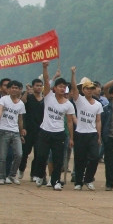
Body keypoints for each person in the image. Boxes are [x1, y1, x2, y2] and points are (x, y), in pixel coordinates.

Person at [30, 62, 75, 190]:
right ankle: (40, 175)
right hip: (45, 131)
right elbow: (46, 79)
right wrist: (44, 67)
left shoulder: (68, 104)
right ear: (54, 88)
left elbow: (70, 122)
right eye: (60, 86)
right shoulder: (48, 96)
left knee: (58, 159)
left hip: (59, 133)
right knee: (41, 156)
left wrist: (71, 138)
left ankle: (56, 181)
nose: (62, 89)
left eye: (64, 87)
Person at [69, 70, 103, 191]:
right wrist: (73, 74)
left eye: (91, 88)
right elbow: (74, 88)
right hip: (80, 133)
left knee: (95, 157)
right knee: (80, 159)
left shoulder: (98, 104)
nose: (89, 90)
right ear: (83, 90)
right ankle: (78, 182)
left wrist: (99, 135)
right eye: (87, 89)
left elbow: (98, 120)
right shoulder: (79, 100)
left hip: (92, 134)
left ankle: (88, 179)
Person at [0, 80, 25, 185]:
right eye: (12, 87)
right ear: (8, 89)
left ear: (19, 90)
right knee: (3, 156)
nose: (14, 90)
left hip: (15, 132)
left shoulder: (21, 104)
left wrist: (21, 132)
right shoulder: (3, 99)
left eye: (16, 88)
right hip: (3, 131)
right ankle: (2, 177)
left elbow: (20, 119)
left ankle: (12, 175)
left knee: (19, 154)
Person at [19, 77, 45, 181]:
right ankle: (21, 169)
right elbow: (22, 102)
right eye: (37, 86)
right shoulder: (29, 97)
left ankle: (34, 174)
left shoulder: (44, 99)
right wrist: (27, 91)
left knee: (38, 153)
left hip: (40, 130)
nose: (39, 87)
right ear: (33, 87)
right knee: (25, 152)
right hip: (28, 129)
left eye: (40, 86)